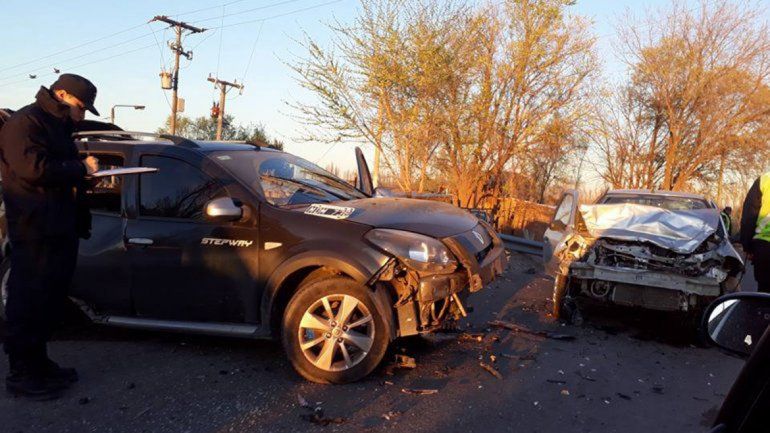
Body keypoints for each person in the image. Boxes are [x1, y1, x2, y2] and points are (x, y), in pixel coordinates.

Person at [0, 74, 99, 399]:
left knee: (49, 301)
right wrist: (81, 168)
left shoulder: (57, 126)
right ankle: (22, 372)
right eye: (80, 107)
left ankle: (40, 363)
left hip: (59, 226)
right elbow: (34, 169)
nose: (81, 115)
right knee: (28, 301)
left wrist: (85, 178)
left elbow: (60, 169)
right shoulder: (24, 122)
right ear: (61, 94)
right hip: (34, 227)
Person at [741, 175, 770, 293]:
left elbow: (750, 216)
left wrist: (747, 246)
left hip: (765, 246)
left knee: (764, 293)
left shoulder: (765, 179)